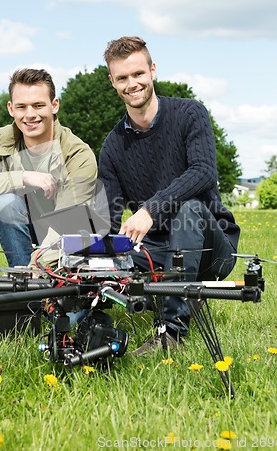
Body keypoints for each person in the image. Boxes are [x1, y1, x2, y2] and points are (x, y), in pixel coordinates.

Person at [99, 36, 241, 354]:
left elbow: (204, 172)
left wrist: (150, 209)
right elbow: (109, 216)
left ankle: (171, 333)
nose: (132, 83)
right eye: (122, 77)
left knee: (188, 209)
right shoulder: (111, 147)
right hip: (156, 252)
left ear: (152, 70)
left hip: (210, 248)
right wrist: (91, 254)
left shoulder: (190, 114)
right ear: (113, 82)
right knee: (108, 266)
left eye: (138, 74)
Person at [0, 68, 98, 270]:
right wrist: (20, 177)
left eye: (38, 105)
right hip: (26, 242)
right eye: (21, 107)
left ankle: (36, 282)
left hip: (70, 246)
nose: (30, 115)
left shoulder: (78, 154)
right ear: (11, 108)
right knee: (5, 202)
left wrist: (35, 267)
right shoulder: (3, 143)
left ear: (54, 105)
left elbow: (68, 224)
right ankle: (24, 287)